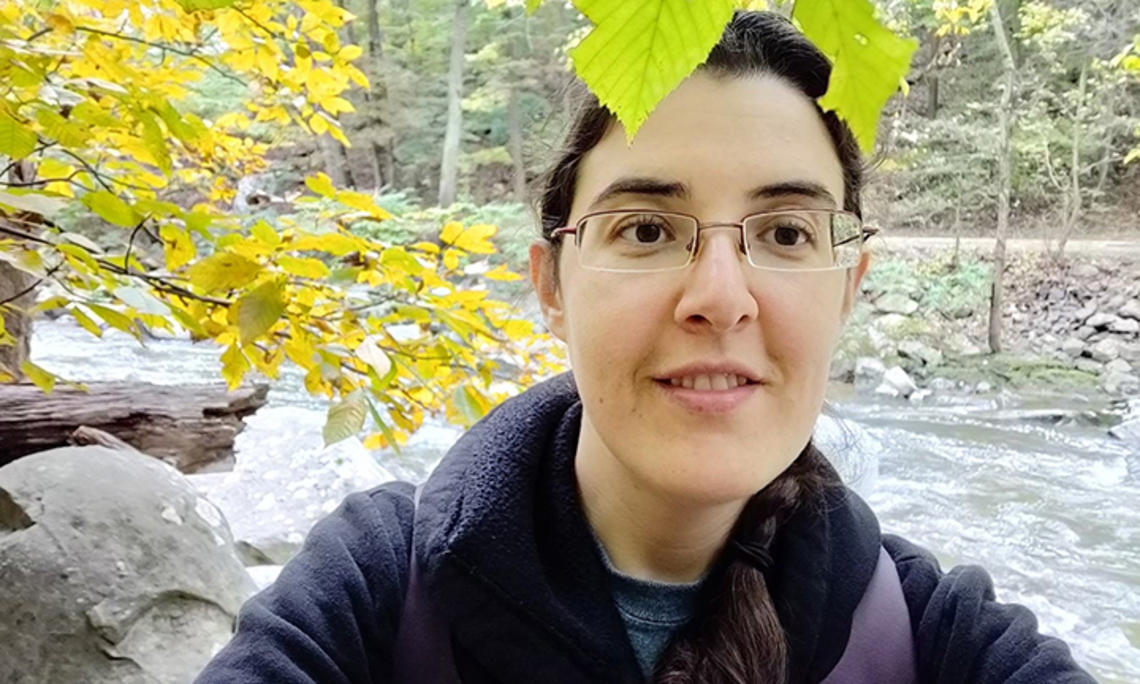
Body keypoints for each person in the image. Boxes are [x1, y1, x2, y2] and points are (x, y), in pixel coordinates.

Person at [196, 11, 1094, 684]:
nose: (718, 297)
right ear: (551, 285)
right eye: (646, 230)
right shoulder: (376, 590)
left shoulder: (925, 632)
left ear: (847, 288)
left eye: (784, 234)